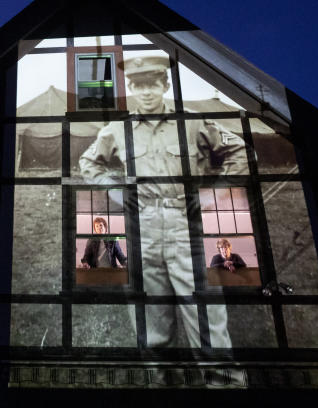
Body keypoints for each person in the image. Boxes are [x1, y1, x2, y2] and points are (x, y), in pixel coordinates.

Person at [79, 54, 246, 349]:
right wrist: (118, 192)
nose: (146, 91)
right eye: (138, 85)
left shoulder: (193, 122)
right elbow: (89, 163)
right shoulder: (118, 129)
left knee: (205, 313)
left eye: (152, 84)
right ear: (130, 88)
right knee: (150, 316)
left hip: (186, 224)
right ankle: (159, 384)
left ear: (165, 85)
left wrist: (213, 194)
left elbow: (242, 153)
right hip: (143, 226)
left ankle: (224, 387)